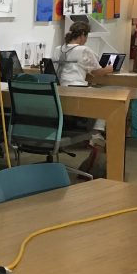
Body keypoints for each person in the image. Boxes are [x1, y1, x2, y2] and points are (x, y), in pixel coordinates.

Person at [54, 21, 113, 166]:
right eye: (86, 37)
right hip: (76, 89)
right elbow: (97, 72)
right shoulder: (84, 50)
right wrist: (111, 68)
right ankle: (97, 133)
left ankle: (93, 132)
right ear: (82, 35)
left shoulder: (58, 49)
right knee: (107, 99)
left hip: (59, 90)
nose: (86, 40)